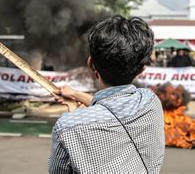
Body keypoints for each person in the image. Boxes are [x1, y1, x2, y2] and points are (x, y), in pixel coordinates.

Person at [48, 15, 165, 173]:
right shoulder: (150, 102)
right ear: (141, 69)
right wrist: (75, 96)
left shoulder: (67, 126)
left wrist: (76, 114)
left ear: (91, 64)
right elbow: (115, 107)